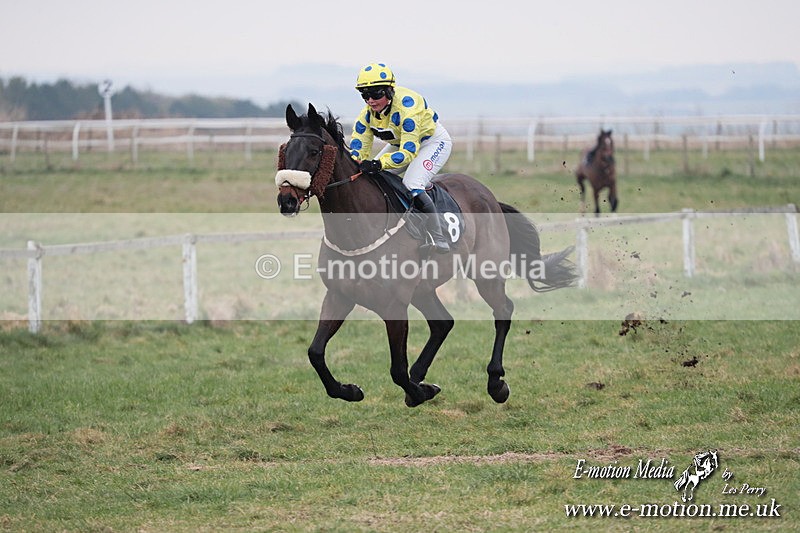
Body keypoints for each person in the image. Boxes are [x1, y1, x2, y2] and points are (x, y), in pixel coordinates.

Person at [349, 62, 453, 253]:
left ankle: (438, 236)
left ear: (389, 91)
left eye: (376, 94)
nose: (371, 100)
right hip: (400, 144)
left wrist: (378, 163)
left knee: (412, 183)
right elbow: (358, 148)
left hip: (432, 143)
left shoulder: (408, 110)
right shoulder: (366, 115)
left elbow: (408, 154)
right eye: (365, 95)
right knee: (369, 179)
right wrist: (356, 162)